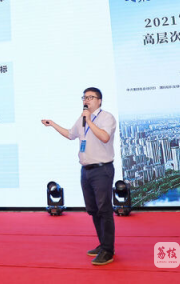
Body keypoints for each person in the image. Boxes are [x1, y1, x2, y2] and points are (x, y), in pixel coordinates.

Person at [41, 87, 117, 266]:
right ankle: (103, 244)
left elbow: (104, 137)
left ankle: (108, 250)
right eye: (85, 97)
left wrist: (89, 120)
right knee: (94, 210)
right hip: (86, 170)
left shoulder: (107, 117)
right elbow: (70, 134)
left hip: (102, 170)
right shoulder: (81, 119)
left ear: (99, 100)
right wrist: (53, 124)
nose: (86, 100)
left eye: (91, 97)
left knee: (104, 209)